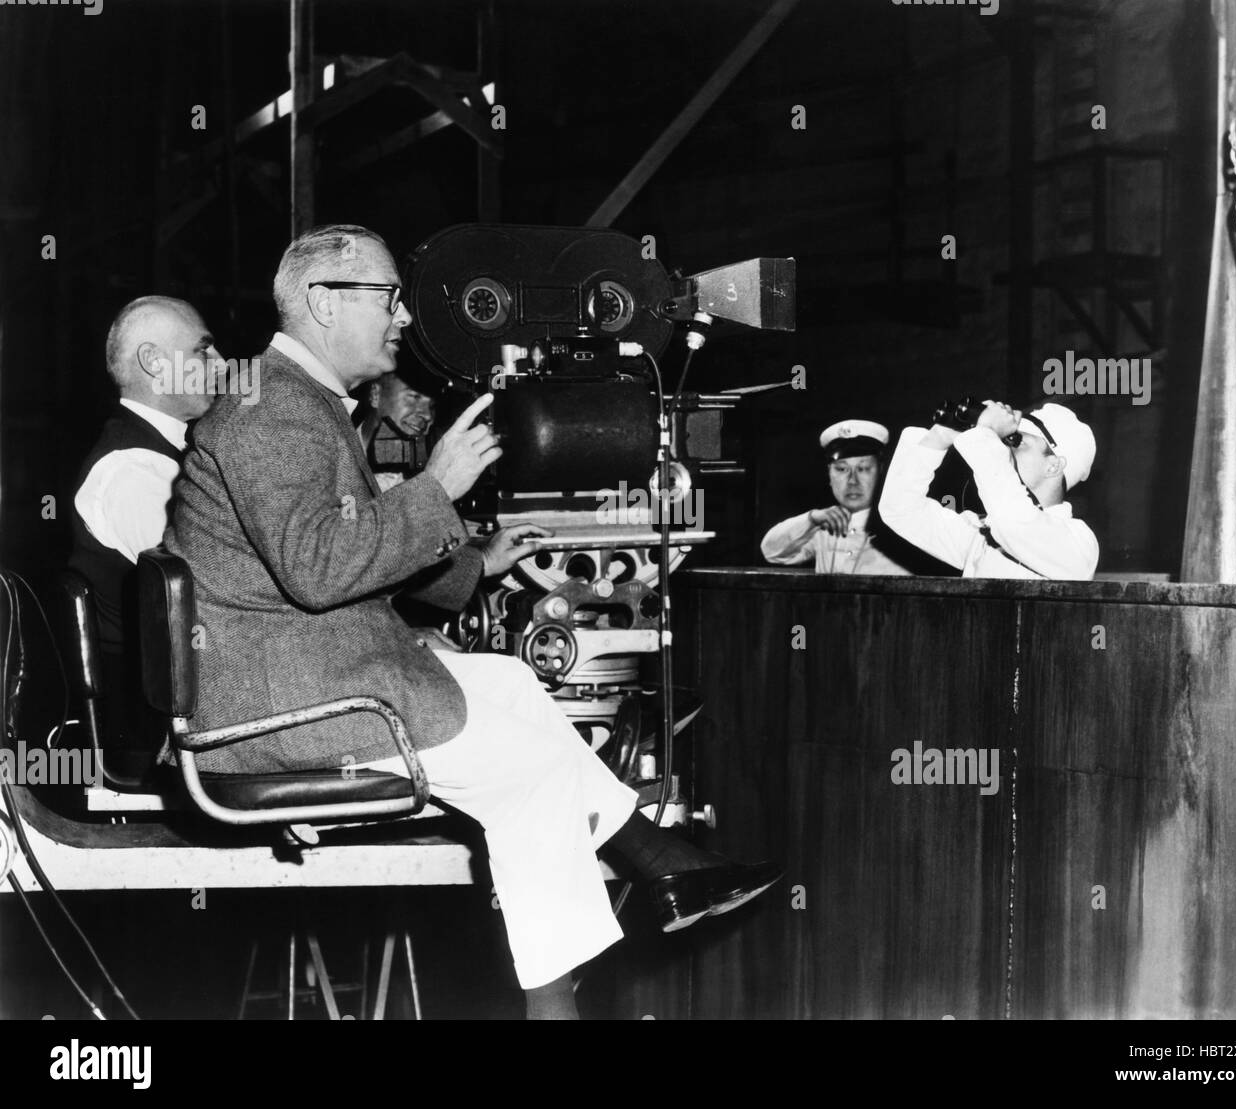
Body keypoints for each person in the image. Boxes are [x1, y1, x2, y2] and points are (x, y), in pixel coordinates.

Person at [163, 224, 780, 1019]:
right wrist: (436, 487)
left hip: (305, 664)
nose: (405, 319)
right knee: (532, 776)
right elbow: (319, 568)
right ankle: (557, 1009)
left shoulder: (296, 401)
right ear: (322, 302)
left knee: (515, 682)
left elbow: (342, 545)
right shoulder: (272, 411)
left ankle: (659, 859)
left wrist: (474, 562)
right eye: (388, 298)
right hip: (276, 707)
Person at [68, 296, 226, 769]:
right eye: (204, 351)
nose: (221, 363)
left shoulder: (165, 456)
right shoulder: (133, 469)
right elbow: (216, 596)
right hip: (164, 730)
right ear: (155, 362)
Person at [877, 399, 1098, 580]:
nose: (1003, 450)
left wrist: (985, 435)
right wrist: (936, 440)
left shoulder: (1078, 544)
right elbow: (901, 510)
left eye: (1016, 441)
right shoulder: (984, 535)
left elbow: (1015, 523)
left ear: (1053, 465)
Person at [761, 419, 912, 575]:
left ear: (880, 471)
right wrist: (811, 519)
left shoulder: (904, 525)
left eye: (863, 468)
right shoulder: (823, 527)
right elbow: (772, 553)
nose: (852, 481)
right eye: (841, 469)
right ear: (829, 474)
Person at [355, 370, 437, 491]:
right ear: (375, 395)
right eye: (414, 397)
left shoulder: (425, 470)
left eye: (432, 406)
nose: (428, 415)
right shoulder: (331, 452)